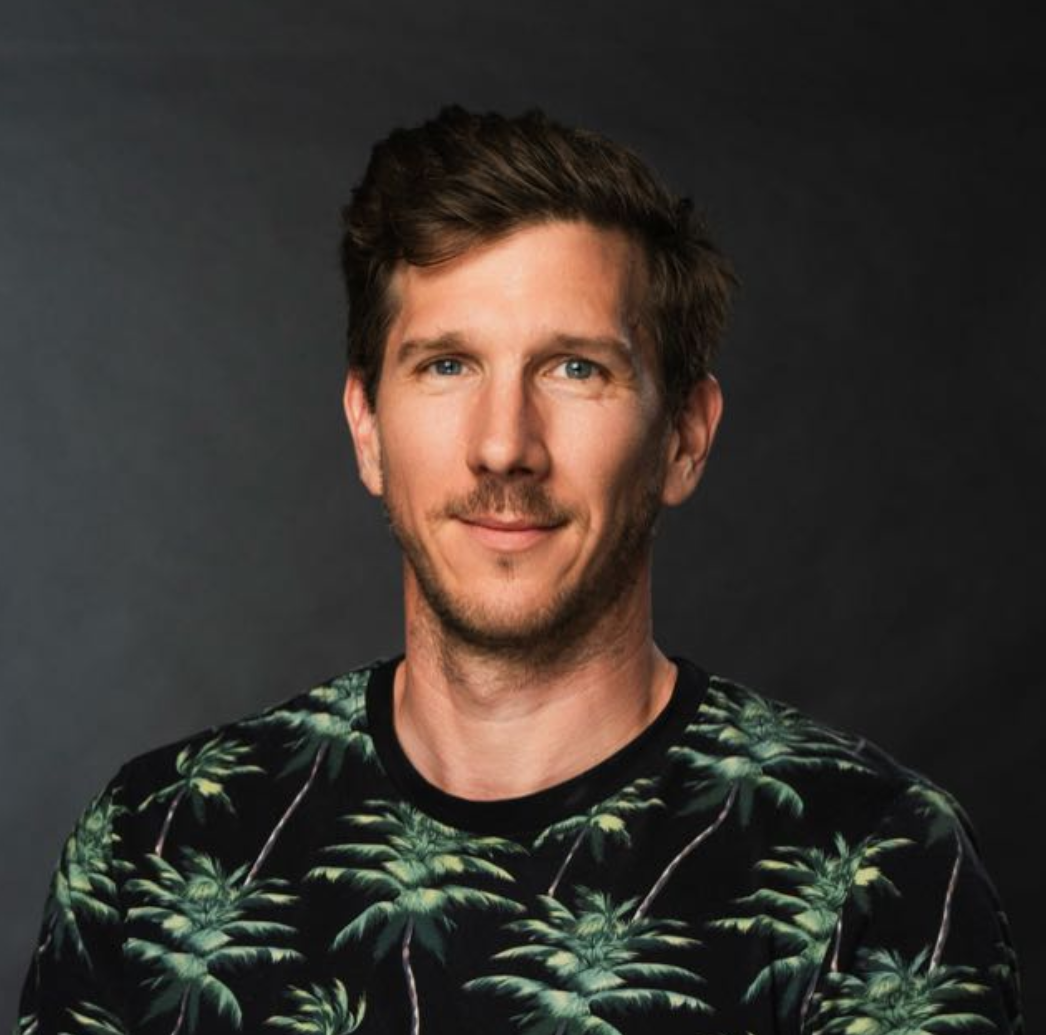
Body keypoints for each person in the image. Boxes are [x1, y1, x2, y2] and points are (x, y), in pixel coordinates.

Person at [15, 105, 1022, 1035]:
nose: (503, 445)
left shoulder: (872, 864)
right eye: (447, 365)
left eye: (575, 368)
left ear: (683, 436)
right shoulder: (159, 841)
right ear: (367, 426)